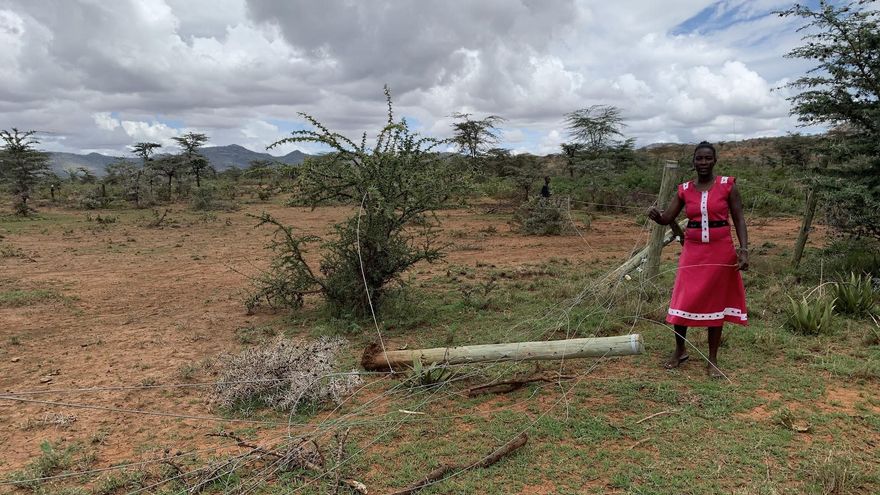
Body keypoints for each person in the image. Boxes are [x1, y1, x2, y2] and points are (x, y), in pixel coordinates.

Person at [647, 141, 749, 378]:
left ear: (715, 160)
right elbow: (666, 219)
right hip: (693, 250)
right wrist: (656, 216)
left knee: (716, 302)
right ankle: (680, 350)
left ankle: (712, 359)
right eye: (699, 159)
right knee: (684, 298)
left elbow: (739, 219)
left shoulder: (727, 186)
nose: (703, 163)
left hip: (721, 250)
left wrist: (744, 249)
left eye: (707, 158)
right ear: (693, 161)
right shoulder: (684, 189)